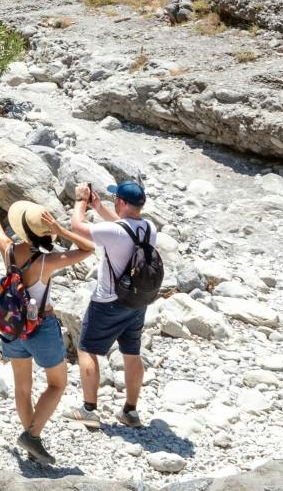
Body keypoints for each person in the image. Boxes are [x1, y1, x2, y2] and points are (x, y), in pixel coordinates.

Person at [0, 175, 94, 466]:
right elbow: (88, 249)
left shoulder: (10, 251)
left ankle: (30, 440)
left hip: (12, 329)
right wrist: (62, 230)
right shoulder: (47, 262)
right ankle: (33, 436)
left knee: (23, 387)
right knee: (57, 384)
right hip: (41, 327)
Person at [70, 179, 156, 429]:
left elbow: (77, 226)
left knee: (86, 349)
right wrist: (99, 208)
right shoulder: (149, 227)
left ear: (121, 202)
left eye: (116, 199)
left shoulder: (115, 232)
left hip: (108, 301)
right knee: (131, 353)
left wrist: (80, 201)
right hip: (137, 301)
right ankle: (130, 411)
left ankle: (89, 410)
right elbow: (122, 228)